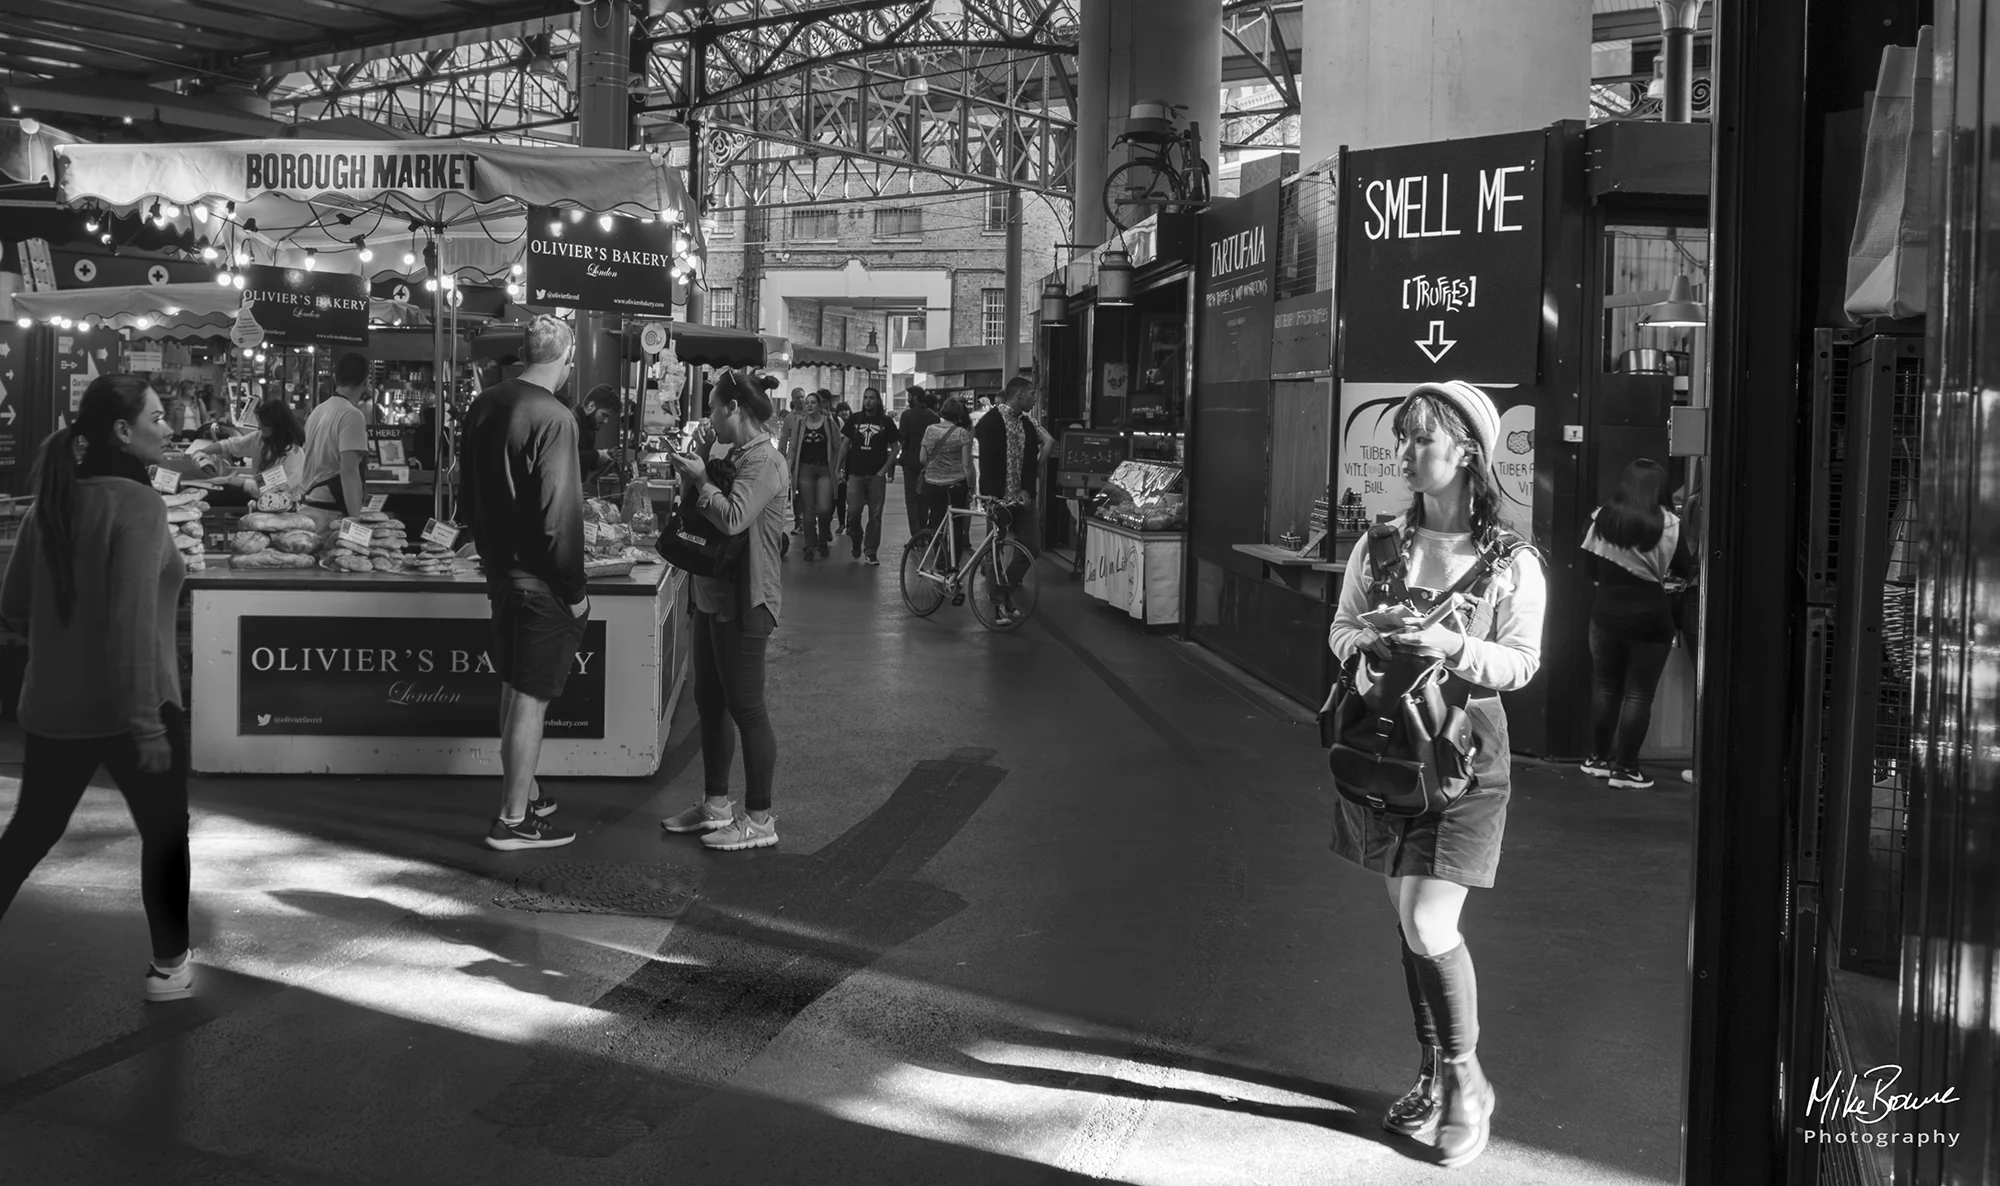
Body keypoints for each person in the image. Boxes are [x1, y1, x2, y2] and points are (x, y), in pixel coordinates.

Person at [1324, 381, 1545, 1169]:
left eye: (1425, 438)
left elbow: (1521, 662)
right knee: (1410, 927)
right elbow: (1341, 630)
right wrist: (1371, 644)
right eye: (1406, 437)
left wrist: (1452, 648)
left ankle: (1466, 1084)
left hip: (1468, 756)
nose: (1409, 453)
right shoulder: (1378, 545)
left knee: (1427, 924)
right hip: (1387, 753)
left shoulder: (1512, 562)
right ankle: (1431, 1075)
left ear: (1469, 454)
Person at [0, 375, 193, 1002]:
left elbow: (13, 602)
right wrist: (146, 724)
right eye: (159, 419)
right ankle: (169, 966)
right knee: (164, 833)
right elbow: (131, 620)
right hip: (138, 704)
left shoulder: (53, 501)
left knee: (31, 831)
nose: (169, 429)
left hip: (54, 705)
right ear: (122, 431)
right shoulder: (140, 505)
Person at [460, 314, 589, 852]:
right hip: (539, 581)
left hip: (500, 573)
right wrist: (576, 593)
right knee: (530, 699)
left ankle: (526, 794)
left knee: (514, 687)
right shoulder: (556, 418)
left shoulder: (483, 404)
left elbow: (464, 491)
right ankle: (513, 820)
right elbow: (559, 517)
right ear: (567, 356)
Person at [660, 370, 789, 851]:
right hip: (711, 595)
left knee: (747, 708)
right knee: (710, 703)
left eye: (715, 407)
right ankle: (716, 806)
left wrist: (701, 481)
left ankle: (759, 818)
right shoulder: (730, 454)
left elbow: (734, 519)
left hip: (747, 599)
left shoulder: (766, 462)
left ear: (736, 408)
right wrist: (695, 477)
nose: (711, 417)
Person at [1579, 459, 1691, 790]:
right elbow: (1683, 567)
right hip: (1652, 617)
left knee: (1604, 688)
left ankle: (1597, 760)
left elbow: (1590, 568)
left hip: (1605, 614)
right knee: (1639, 696)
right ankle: (1626, 769)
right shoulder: (1671, 523)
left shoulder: (1602, 517)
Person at [299, 352, 373, 528]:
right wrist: (356, 522)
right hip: (329, 513)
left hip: (308, 507)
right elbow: (349, 471)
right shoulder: (352, 415)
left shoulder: (318, 411)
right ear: (366, 381)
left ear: (334, 378)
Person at [188, 399, 307, 500]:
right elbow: (231, 444)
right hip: (260, 499)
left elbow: (278, 488)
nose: (259, 427)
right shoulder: (260, 437)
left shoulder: (294, 453)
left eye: (264, 425)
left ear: (278, 426)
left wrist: (243, 483)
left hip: (283, 506)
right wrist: (203, 452)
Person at [840, 387, 900, 564]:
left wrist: (884, 470)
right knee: (853, 511)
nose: (868, 401)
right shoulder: (855, 419)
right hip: (856, 473)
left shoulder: (886, 421)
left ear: (878, 401)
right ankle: (856, 537)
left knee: (875, 515)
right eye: (866, 397)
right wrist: (838, 467)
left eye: (872, 398)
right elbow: (845, 444)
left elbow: (896, 447)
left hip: (876, 475)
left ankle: (871, 550)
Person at [782, 391, 843, 560]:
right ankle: (810, 545)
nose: (808, 405)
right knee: (808, 510)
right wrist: (788, 469)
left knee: (824, 509)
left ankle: (822, 539)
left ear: (819, 405)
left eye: (813, 402)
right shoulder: (800, 425)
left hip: (824, 470)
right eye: (807, 402)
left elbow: (838, 448)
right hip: (805, 470)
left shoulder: (830, 425)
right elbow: (792, 448)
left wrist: (838, 469)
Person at [919, 395, 975, 562]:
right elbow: (966, 465)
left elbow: (922, 458)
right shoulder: (962, 434)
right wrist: (970, 487)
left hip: (932, 483)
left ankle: (941, 561)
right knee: (956, 526)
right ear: (959, 415)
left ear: (942, 412)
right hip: (956, 485)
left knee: (937, 522)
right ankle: (954, 567)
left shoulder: (930, 430)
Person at [897, 386, 940, 535]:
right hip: (928, 463)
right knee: (924, 500)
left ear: (915, 397)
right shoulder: (934, 417)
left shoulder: (907, 415)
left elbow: (903, 438)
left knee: (911, 500)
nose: (908, 399)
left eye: (909, 396)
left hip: (910, 462)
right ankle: (924, 531)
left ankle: (916, 535)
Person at [576, 384, 623, 488]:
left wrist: (604, 459)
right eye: (604, 415)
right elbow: (568, 456)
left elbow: (583, 464)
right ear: (591, 406)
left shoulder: (588, 427)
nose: (606, 421)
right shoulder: (571, 423)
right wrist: (598, 454)